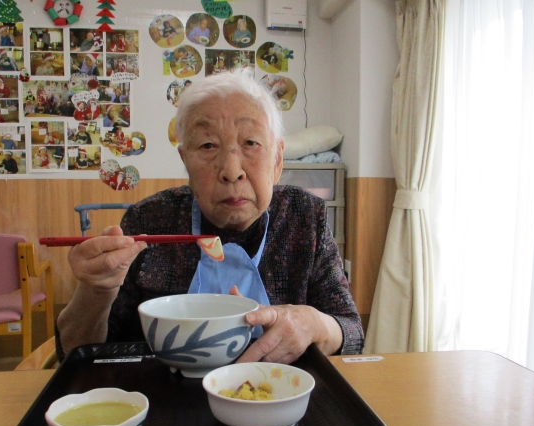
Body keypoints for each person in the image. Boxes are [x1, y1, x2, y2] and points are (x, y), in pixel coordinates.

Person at [56, 69, 364, 364]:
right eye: (207, 145)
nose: (231, 171)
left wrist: (314, 324)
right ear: (185, 160)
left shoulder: (305, 216)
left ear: (277, 160)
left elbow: (351, 332)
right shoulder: (148, 220)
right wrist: (96, 292)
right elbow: (78, 351)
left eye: (250, 143)